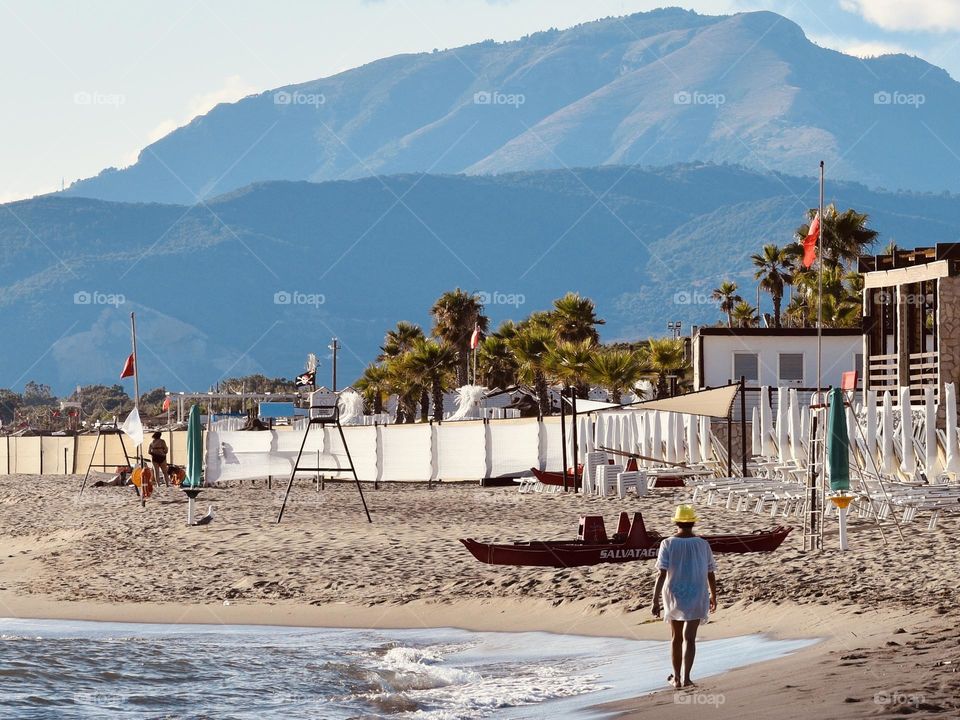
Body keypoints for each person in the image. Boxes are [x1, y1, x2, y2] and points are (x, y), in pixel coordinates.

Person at [652, 504, 717, 689]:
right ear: (693, 523)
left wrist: (654, 600)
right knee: (690, 638)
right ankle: (687, 677)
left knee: (676, 638)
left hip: (674, 593)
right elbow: (710, 572)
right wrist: (714, 595)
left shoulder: (668, 543)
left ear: (677, 522)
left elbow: (661, 574)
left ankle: (677, 678)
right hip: (697, 592)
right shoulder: (702, 544)